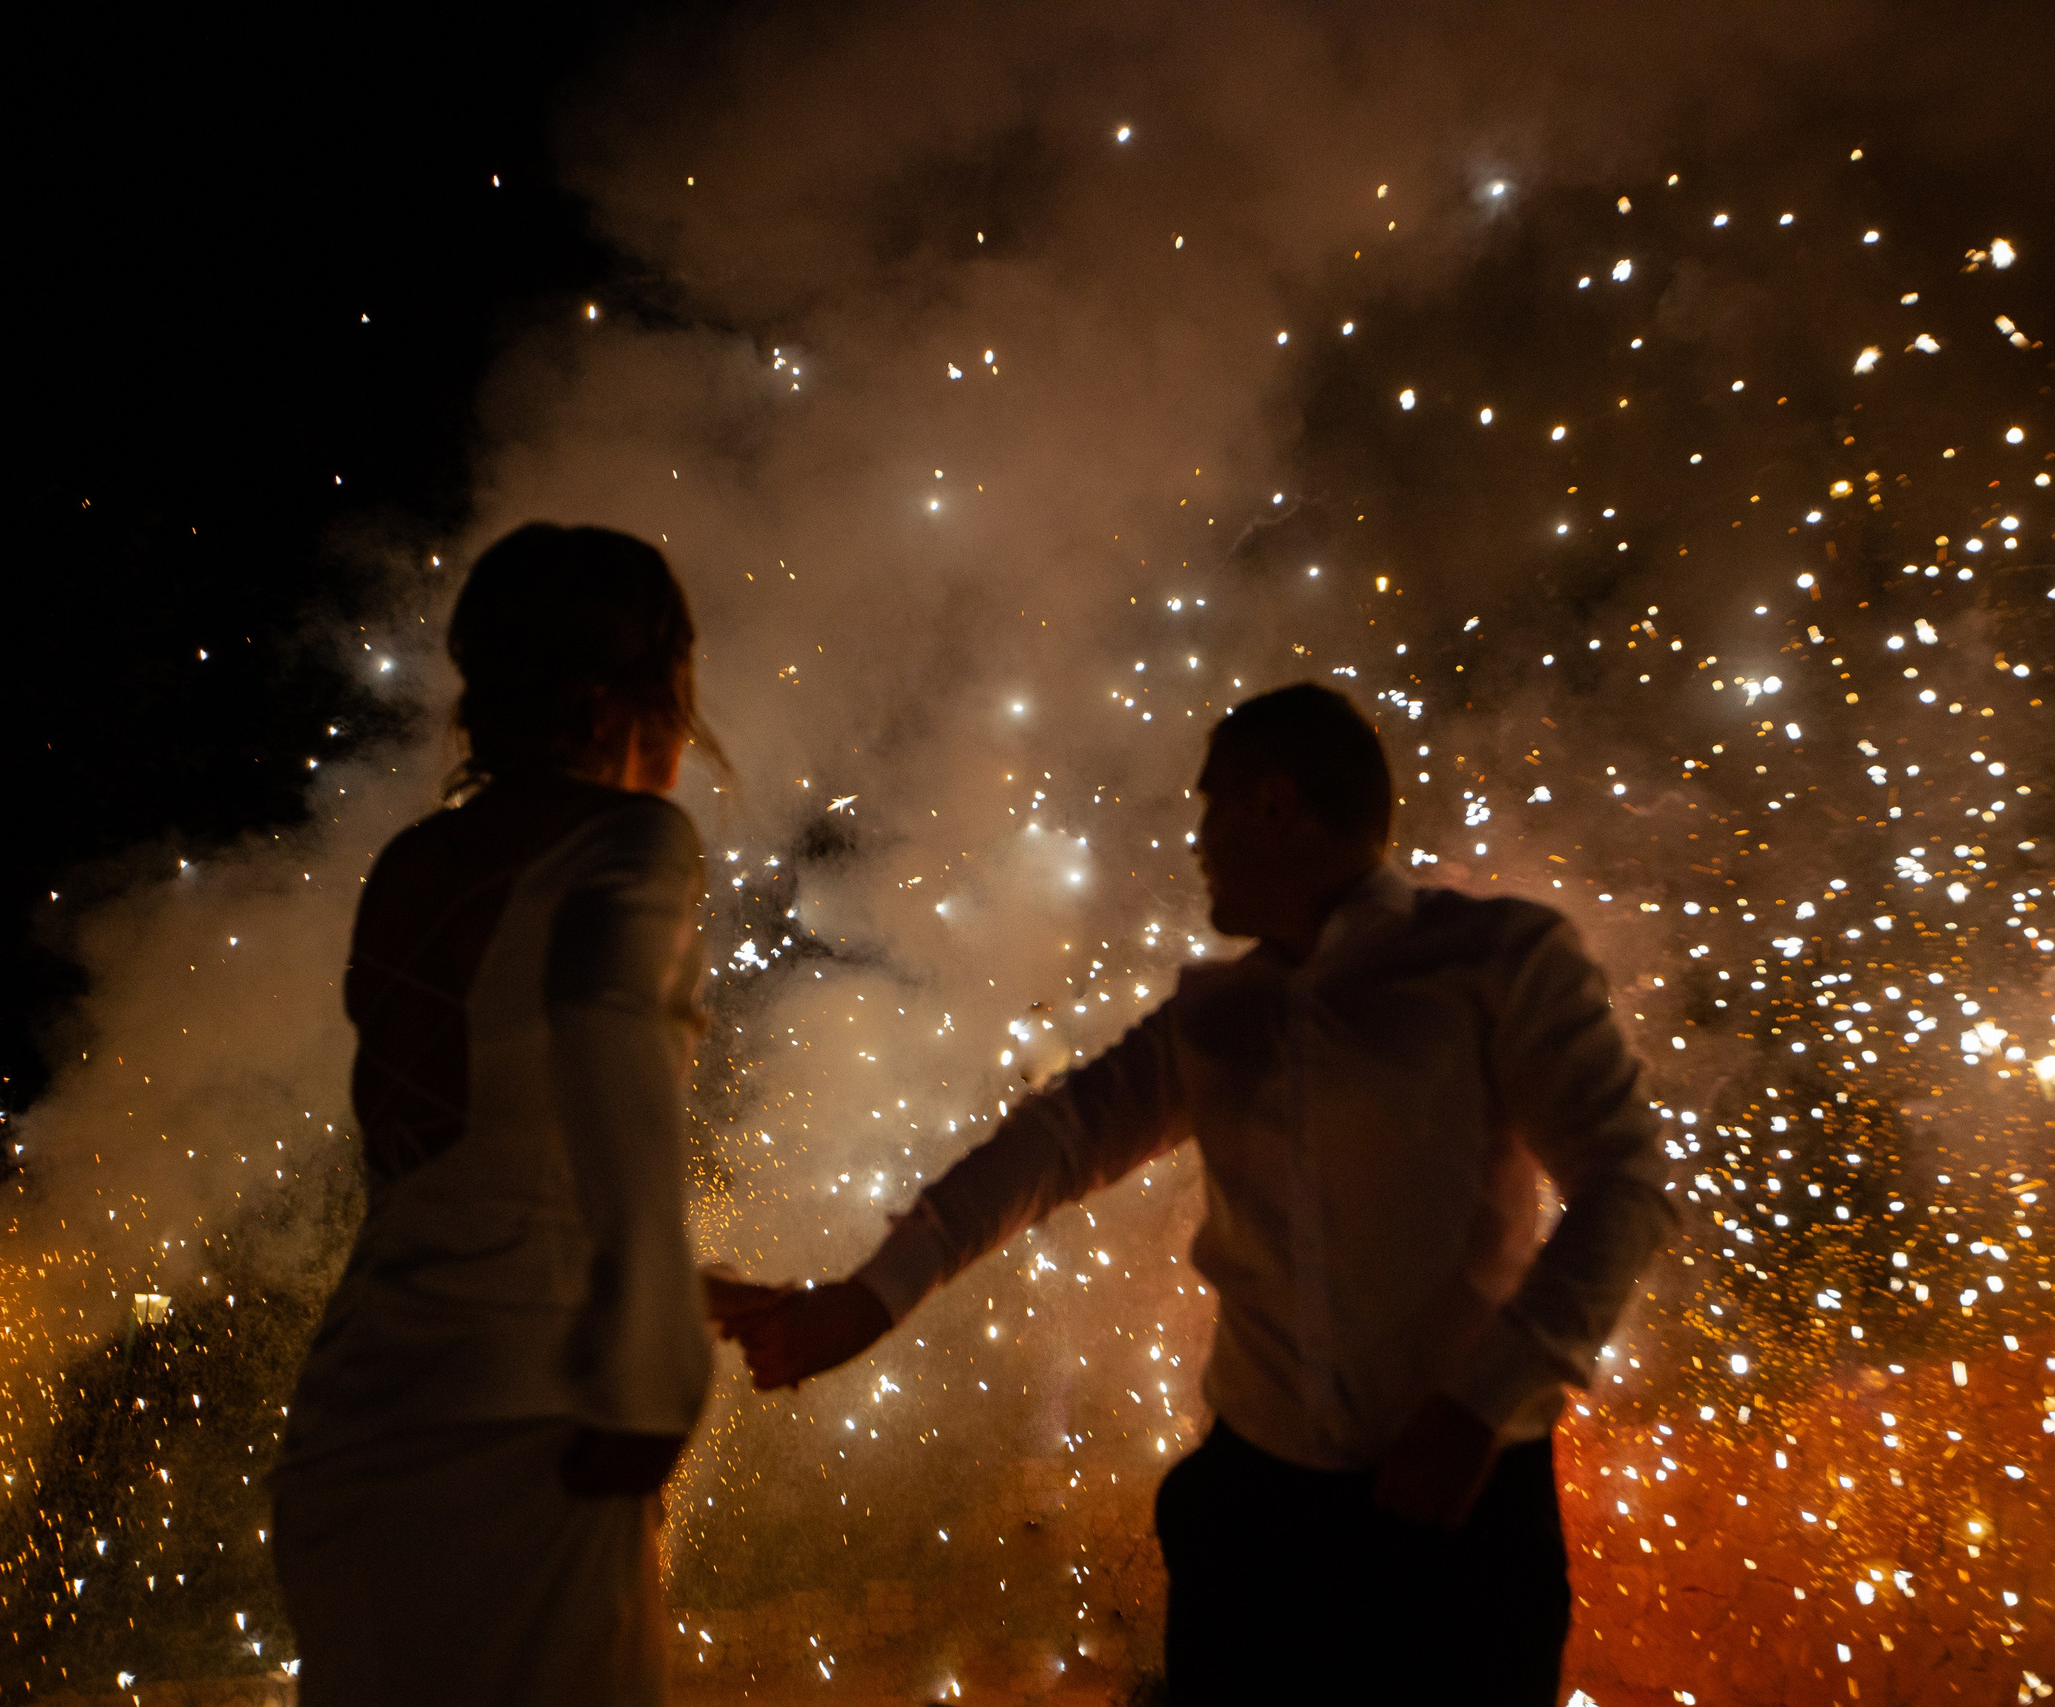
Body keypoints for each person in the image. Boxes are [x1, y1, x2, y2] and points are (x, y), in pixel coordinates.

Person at [715, 683, 1672, 1704]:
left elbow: (1627, 1187)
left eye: (1207, 806)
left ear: (1273, 804)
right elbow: (1056, 1142)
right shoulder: (1215, 1014)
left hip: (1459, 1508)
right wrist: (869, 1299)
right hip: (1259, 1517)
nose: (1197, 842)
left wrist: (1480, 1404)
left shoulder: (1495, 960)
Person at [271, 523, 720, 1707]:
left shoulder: (416, 864)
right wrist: (655, 1353)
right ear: (635, 686)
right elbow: (605, 1018)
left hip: (361, 1416)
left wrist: (674, 1280)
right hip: (528, 1429)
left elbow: (463, 1163)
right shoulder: (631, 838)